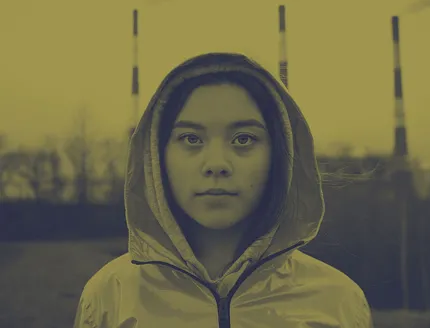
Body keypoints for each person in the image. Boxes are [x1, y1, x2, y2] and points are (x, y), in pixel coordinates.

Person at [73, 52, 374, 327]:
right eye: (191, 139)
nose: (216, 164)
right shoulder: (110, 298)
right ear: (156, 156)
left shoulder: (339, 303)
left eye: (243, 139)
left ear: (281, 156)